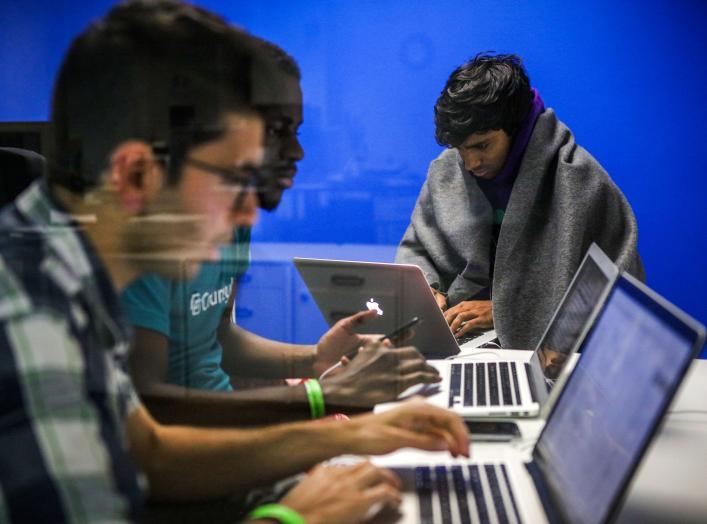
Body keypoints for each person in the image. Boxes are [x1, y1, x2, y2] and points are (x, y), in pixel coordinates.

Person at [0, 2, 470, 522]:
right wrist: (292, 519)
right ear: (136, 176)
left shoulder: (75, 279)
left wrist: (351, 432)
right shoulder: (32, 315)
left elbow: (149, 451)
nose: (251, 208)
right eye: (233, 179)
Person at [119, 34, 439, 427]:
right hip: (192, 455)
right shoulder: (147, 236)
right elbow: (149, 407)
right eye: (278, 131)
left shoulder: (232, 223)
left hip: (226, 438)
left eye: (296, 132)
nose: (298, 152)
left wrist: (313, 358)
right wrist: (320, 397)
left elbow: (217, 339)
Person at [396, 53, 644, 349]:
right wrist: (426, 290)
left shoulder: (579, 178)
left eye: (482, 146)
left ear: (517, 128)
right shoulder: (447, 169)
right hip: (457, 340)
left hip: (544, 350)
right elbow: (418, 247)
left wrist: (502, 312)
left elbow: (616, 288)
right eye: (461, 149)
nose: (471, 162)